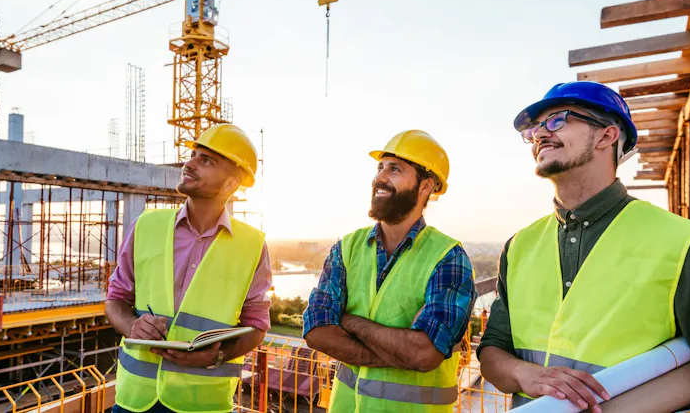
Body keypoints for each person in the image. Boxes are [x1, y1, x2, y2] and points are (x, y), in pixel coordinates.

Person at [477, 82, 690, 412]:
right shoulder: (520, 247)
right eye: (534, 127)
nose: (539, 134)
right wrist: (526, 374)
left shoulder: (687, 246)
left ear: (607, 135)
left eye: (558, 120)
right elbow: (494, 352)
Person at [304, 130, 477, 412]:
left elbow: (424, 354)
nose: (380, 178)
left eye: (395, 169)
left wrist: (350, 322)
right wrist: (400, 350)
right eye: (379, 168)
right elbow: (316, 331)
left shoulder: (448, 258)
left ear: (426, 187)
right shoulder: (347, 248)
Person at [105, 124, 272, 413]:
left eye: (206, 160)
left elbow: (256, 326)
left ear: (232, 184)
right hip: (136, 400)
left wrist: (216, 357)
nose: (189, 164)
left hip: (204, 403)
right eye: (193, 155)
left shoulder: (252, 245)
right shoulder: (146, 226)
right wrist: (132, 325)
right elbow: (115, 298)